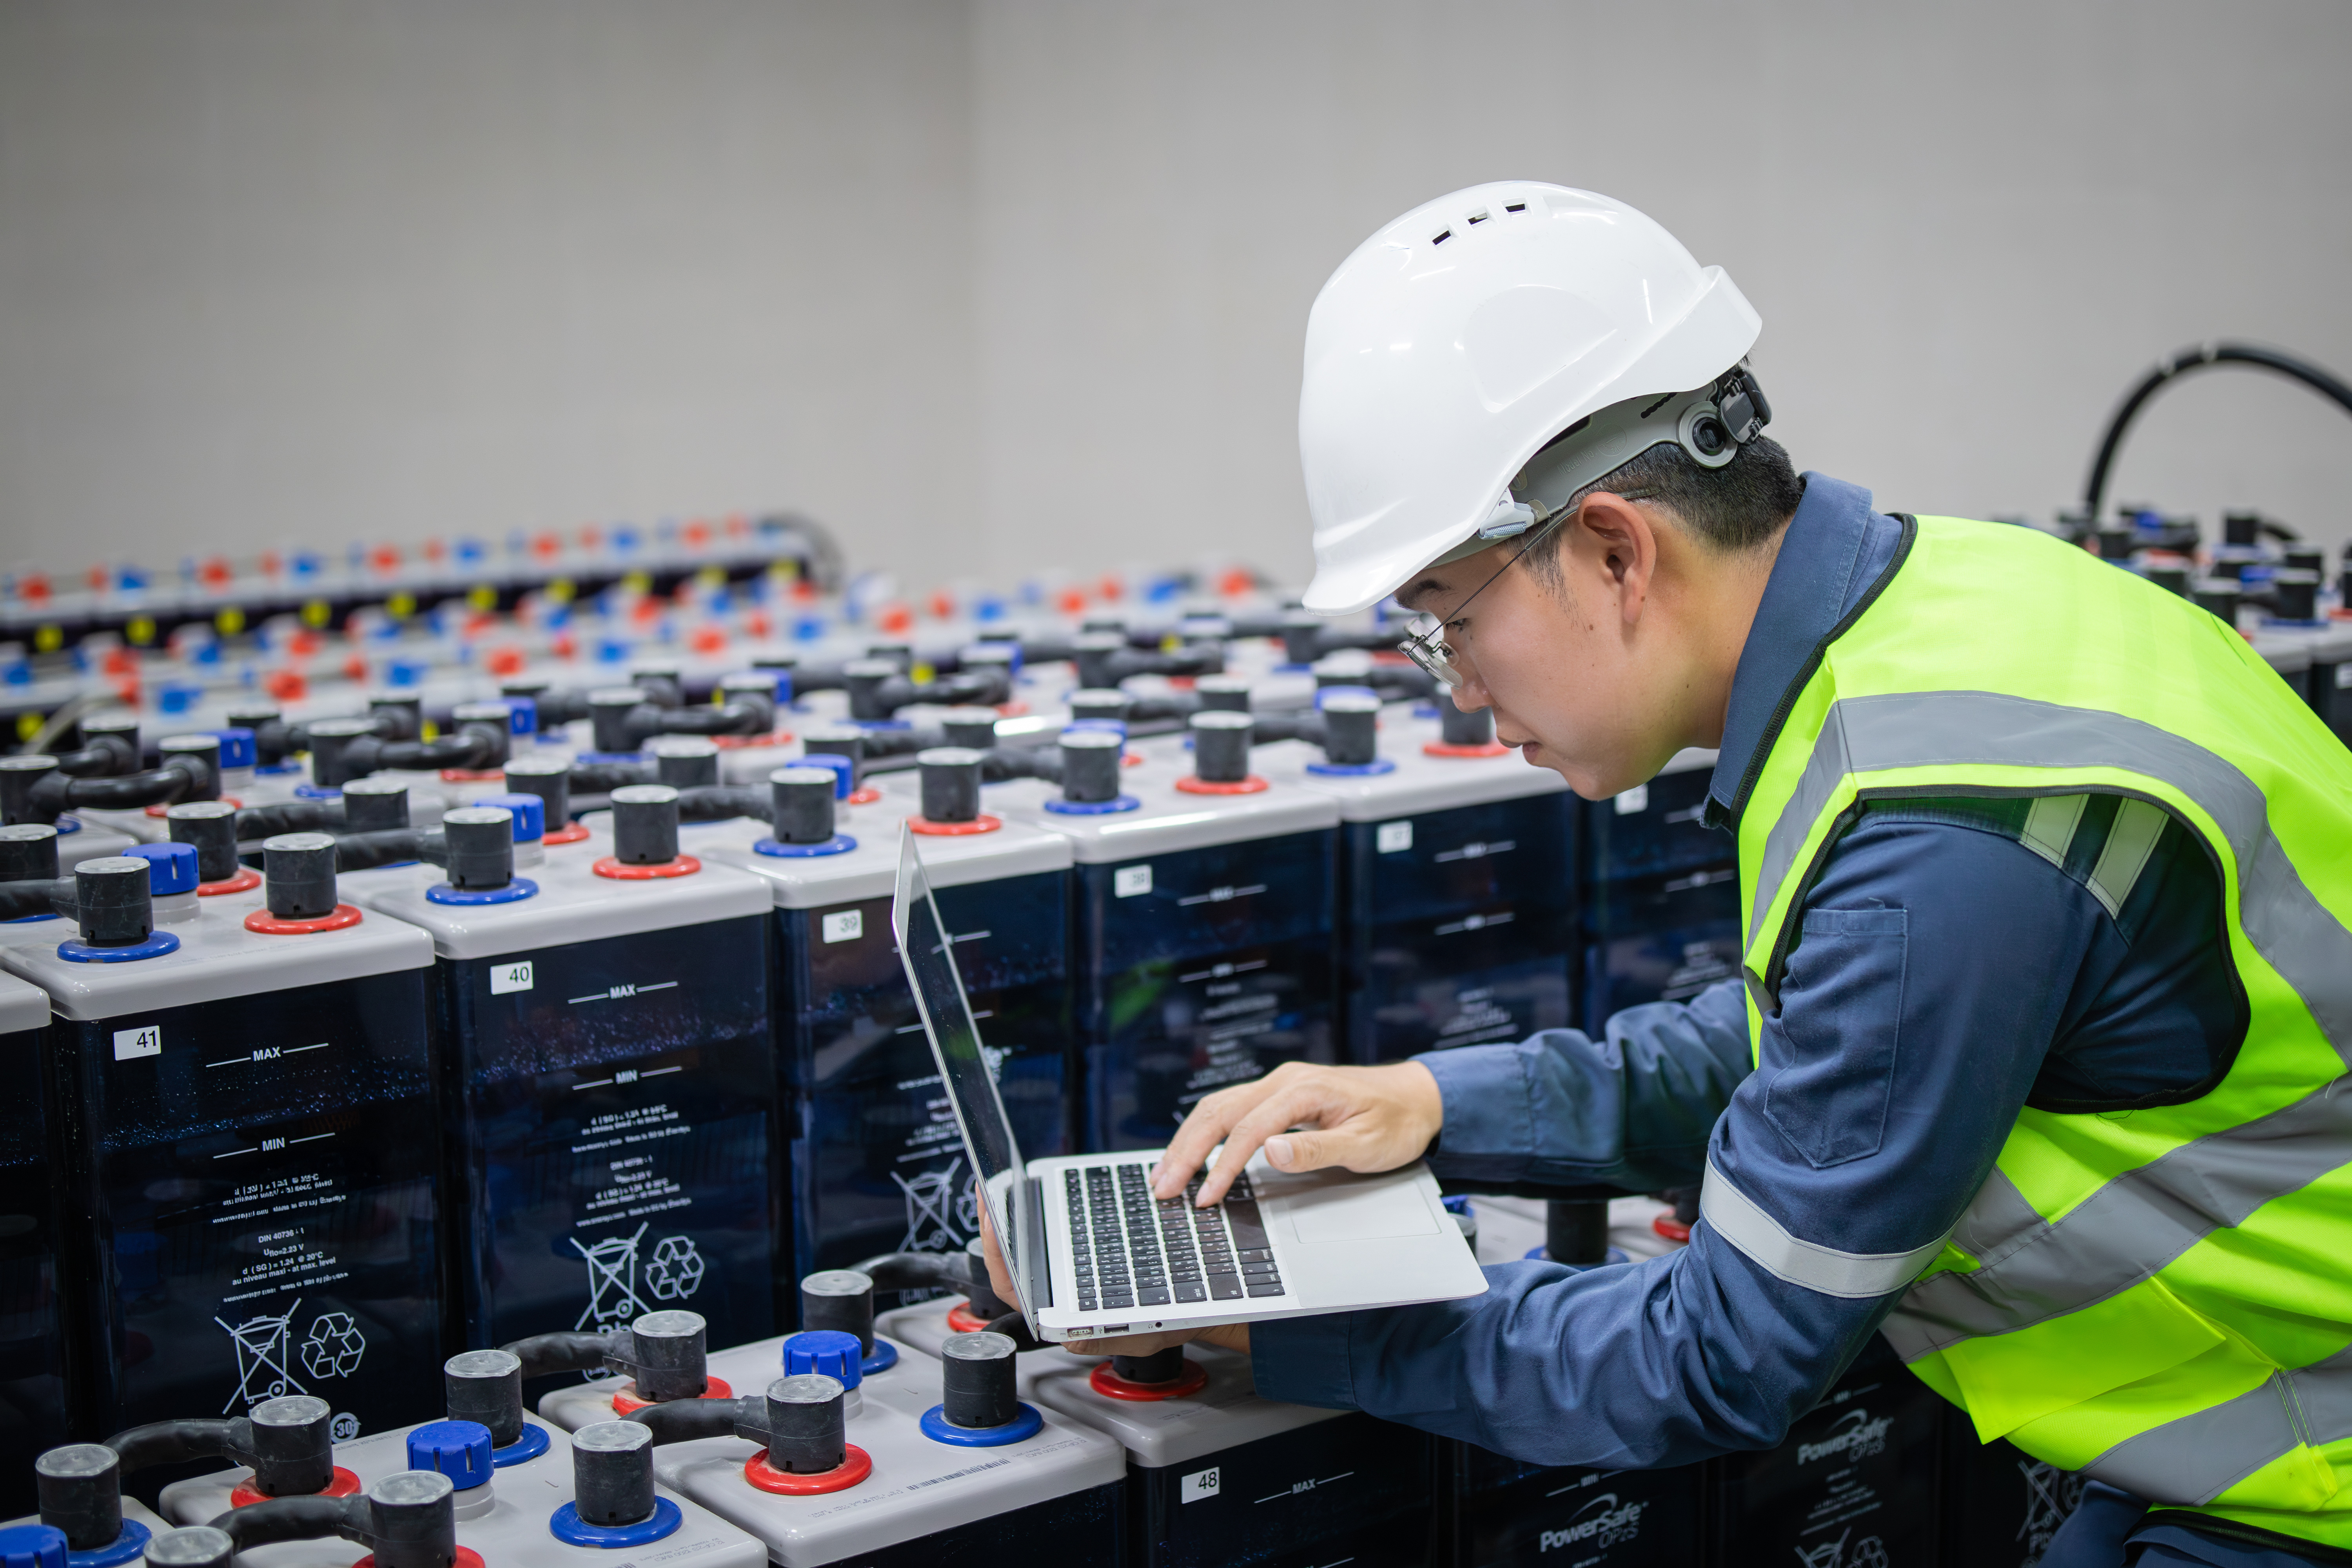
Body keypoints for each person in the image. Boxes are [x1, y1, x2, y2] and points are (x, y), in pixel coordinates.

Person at [980, 182, 2352, 1567]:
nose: (1461, 693)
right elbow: (1814, 1045)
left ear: (1618, 551)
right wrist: (1434, 1100)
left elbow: (1719, 1357)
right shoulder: (1956, 616)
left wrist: (1282, 1327)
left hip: (2304, 1471)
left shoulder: (1935, 833)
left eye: (1451, 624)